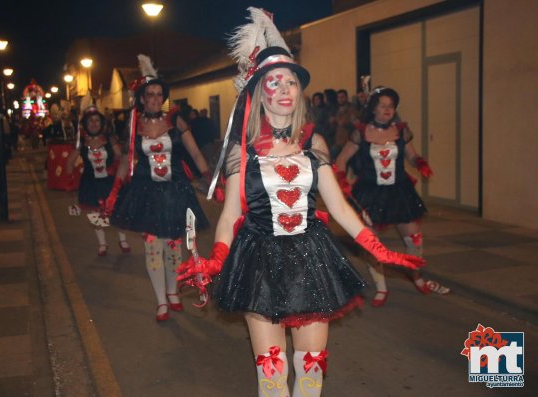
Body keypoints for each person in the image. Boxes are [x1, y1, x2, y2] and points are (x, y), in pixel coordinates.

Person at [176, 9, 423, 397]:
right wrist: (217, 259)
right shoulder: (242, 154)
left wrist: (380, 250)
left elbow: (340, 208)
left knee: (310, 372)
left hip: (312, 256)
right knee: (271, 375)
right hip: (258, 259)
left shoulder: (314, 144)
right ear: (259, 92)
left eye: (291, 82)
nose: (285, 89)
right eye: (275, 82)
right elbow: (230, 216)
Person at [107, 54, 211, 322]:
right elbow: (126, 160)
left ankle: (172, 291)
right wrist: (115, 191)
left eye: (158, 94)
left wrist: (209, 177)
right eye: (150, 94)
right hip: (146, 192)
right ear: (142, 98)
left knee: (174, 244)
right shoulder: (134, 124)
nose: (154, 98)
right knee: (153, 245)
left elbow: (196, 154)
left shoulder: (176, 123)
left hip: (175, 191)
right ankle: (160, 300)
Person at [335, 86, 450, 308]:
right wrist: (342, 185)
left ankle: (417, 277)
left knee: (414, 238)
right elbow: (341, 160)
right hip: (370, 193)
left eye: (391, 106)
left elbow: (412, 154)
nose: (388, 110)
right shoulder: (361, 132)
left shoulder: (401, 131)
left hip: (399, 191)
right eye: (383, 105)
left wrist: (420, 163)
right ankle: (381, 287)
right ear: (374, 109)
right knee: (370, 242)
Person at [66, 106, 130, 256]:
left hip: (109, 182)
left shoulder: (110, 139)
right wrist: (70, 183)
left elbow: (121, 157)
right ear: (85, 124)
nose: (94, 124)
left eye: (96, 120)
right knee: (95, 214)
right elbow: (69, 162)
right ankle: (102, 243)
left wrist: (117, 170)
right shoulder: (81, 142)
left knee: (117, 211)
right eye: (90, 121)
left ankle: (122, 239)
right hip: (90, 183)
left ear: (101, 123)